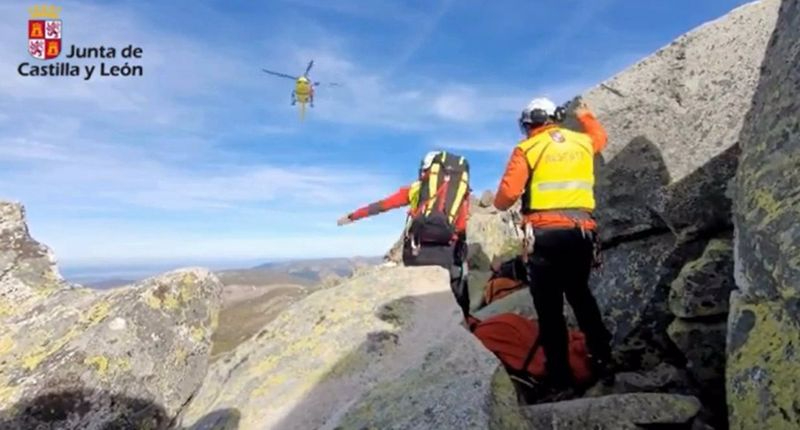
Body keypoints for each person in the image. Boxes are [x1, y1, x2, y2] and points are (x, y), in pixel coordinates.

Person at [492, 96, 614, 391]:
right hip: (581, 233)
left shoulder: (527, 148)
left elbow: (505, 197)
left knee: (549, 311)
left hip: (545, 236)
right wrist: (585, 114)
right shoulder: (582, 142)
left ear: (529, 121)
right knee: (582, 297)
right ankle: (604, 358)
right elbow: (600, 137)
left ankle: (560, 376)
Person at [337, 151, 472, 319]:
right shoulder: (460, 192)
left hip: (416, 254)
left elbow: (383, 205)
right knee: (454, 299)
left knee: (419, 308)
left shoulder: (415, 189)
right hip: (447, 255)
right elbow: (460, 226)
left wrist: (353, 216)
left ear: (424, 170)